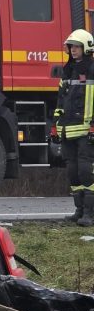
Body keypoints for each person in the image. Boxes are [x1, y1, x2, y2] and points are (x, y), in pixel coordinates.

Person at [51, 29, 94, 226]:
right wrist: (55, 125)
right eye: (71, 47)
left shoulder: (92, 69)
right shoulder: (68, 70)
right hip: (68, 130)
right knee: (73, 172)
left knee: (87, 172)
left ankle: (89, 213)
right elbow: (61, 100)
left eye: (76, 47)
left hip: (86, 131)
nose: (73, 50)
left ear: (86, 48)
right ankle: (78, 210)